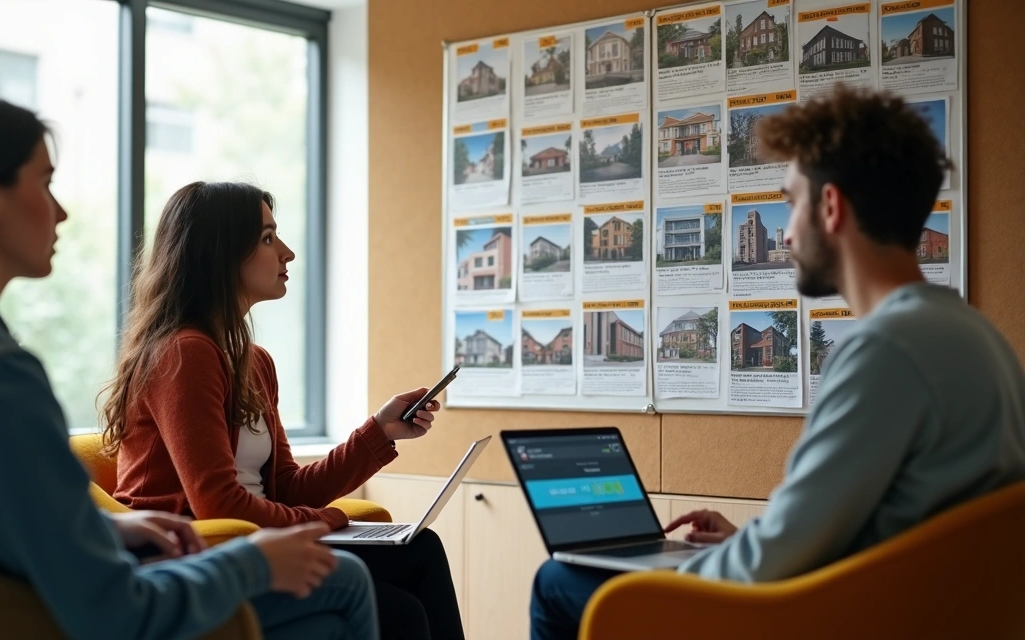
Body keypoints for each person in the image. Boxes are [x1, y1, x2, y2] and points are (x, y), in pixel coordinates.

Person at [0, 92, 379, 640]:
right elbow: (114, 613)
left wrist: (106, 527)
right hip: (47, 623)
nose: (61, 210)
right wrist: (254, 562)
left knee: (333, 613)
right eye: (46, 182)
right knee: (347, 583)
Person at [528, 84, 1025, 639]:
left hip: (832, 621)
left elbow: (769, 566)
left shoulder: (887, 350)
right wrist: (748, 541)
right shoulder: (976, 337)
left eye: (790, 203)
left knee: (558, 581)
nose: (785, 232)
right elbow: (873, 535)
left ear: (831, 207)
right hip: (913, 611)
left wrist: (689, 565)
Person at [100, 181, 466, 640]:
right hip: (201, 551)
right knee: (400, 613)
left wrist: (380, 431)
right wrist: (328, 521)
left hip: (249, 536)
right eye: (269, 238)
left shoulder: (254, 362)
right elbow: (217, 504)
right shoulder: (184, 353)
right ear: (221, 254)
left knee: (421, 550)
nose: (288, 253)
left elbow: (288, 487)